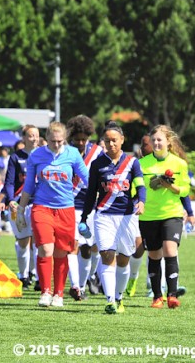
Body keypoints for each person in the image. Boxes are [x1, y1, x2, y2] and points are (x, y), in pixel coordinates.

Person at [15, 122, 89, 307]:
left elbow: (88, 179)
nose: (56, 145)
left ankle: (59, 294)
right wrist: (21, 210)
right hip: (42, 208)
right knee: (45, 249)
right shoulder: (37, 155)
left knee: (61, 252)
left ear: (64, 139)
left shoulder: (72, 154)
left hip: (66, 209)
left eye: (60, 141)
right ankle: (46, 291)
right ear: (45, 139)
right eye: (52, 141)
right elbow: (29, 185)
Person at [81, 121, 145, 314]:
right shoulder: (97, 164)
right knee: (107, 254)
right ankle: (110, 300)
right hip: (104, 216)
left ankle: (119, 297)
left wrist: (141, 201)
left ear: (122, 140)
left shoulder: (132, 163)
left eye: (114, 140)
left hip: (127, 217)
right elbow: (91, 193)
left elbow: (141, 186)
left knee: (124, 259)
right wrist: (84, 216)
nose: (111, 144)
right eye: (107, 141)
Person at [139, 125, 190, 309]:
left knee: (170, 250)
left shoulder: (179, 164)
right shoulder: (142, 164)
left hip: (172, 213)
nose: (156, 143)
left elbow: (185, 190)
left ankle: (172, 295)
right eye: (153, 140)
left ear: (169, 141)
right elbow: (136, 188)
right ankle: (157, 297)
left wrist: (170, 186)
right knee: (154, 255)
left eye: (160, 139)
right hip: (149, 216)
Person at [0, 125, 39, 290]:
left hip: (38, 204)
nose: (33, 138)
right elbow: (10, 182)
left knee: (39, 241)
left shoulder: (44, 156)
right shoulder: (15, 158)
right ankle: (23, 275)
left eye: (36, 136)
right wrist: (11, 200)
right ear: (24, 138)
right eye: (30, 136)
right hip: (19, 205)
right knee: (23, 241)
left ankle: (38, 276)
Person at [65, 115, 104, 302]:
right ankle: (76, 287)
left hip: (91, 208)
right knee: (73, 246)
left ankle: (83, 283)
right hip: (69, 205)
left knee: (88, 248)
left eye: (84, 139)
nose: (80, 142)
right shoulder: (64, 151)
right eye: (77, 139)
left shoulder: (97, 152)